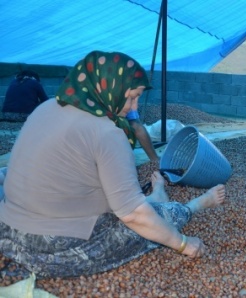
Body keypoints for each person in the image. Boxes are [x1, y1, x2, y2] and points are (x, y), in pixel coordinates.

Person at [0, 50, 227, 279]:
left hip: (9, 234)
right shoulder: (107, 132)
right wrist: (183, 243)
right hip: (54, 250)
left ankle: (151, 198)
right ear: (110, 87)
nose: (132, 106)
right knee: (152, 221)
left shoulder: (45, 109)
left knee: (97, 184)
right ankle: (191, 205)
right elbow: (133, 216)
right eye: (131, 97)